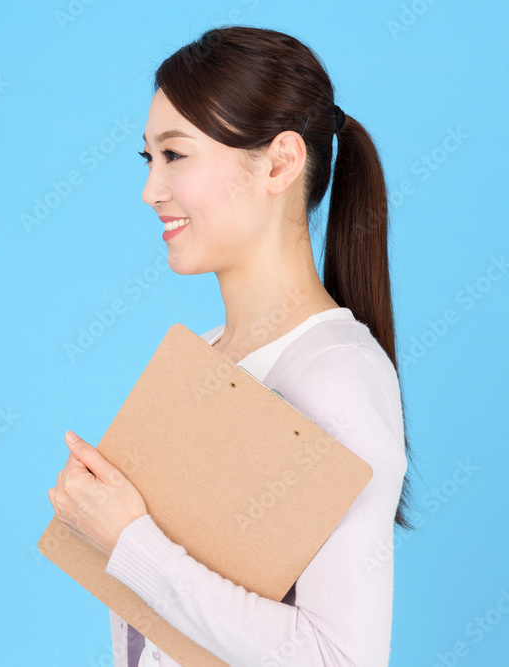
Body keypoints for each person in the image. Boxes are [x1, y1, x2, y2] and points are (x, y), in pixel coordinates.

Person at [46, 25, 420, 667]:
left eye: (176, 155)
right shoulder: (204, 354)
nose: (150, 189)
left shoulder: (336, 375)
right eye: (148, 158)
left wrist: (129, 539)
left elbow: (340, 658)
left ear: (279, 161)